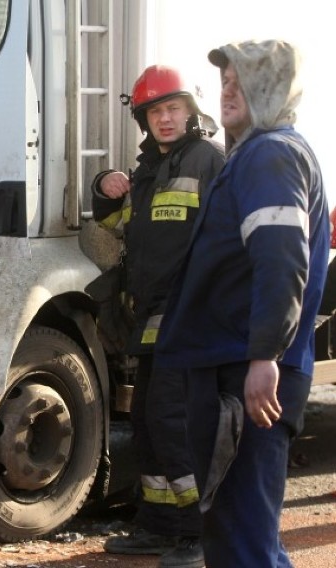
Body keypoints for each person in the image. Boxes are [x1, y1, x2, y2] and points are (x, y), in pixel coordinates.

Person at [155, 40, 329, 568]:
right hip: (235, 365)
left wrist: (263, 357)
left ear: (272, 88)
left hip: (243, 373)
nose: (227, 89)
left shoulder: (271, 154)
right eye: (225, 80)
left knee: (242, 539)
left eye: (242, 80)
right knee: (242, 531)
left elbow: (281, 262)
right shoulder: (260, 153)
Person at [93, 65, 225, 568]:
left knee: (174, 420)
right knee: (148, 418)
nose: (164, 119)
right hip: (150, 315)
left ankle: (197, 531)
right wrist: (103, 185)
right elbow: (115, 223)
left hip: (190, 314)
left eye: (173, 109)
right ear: (144, 120)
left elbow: (226, 239)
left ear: (191, 111)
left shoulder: (209, 159)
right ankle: (158, 524)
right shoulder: (147, 170)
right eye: (154, 112)